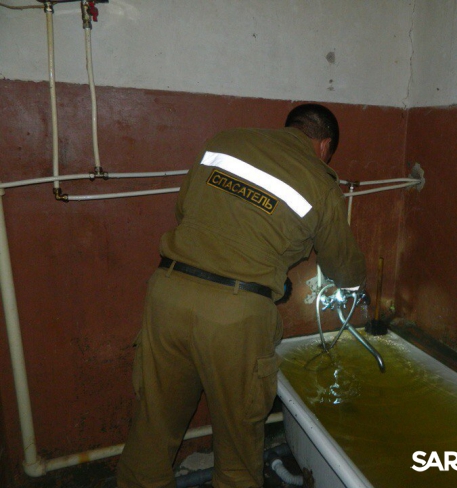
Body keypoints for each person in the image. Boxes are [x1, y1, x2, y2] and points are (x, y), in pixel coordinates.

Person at [116, 103, 366, 488]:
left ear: (290, 128)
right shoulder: (321, 181)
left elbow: (185, 211)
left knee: (153, 427)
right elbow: (341, 265)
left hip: (168, 293)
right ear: (324, 146)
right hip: (235, 317)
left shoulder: (225, 142)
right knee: (238, 444)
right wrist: (356, 288)